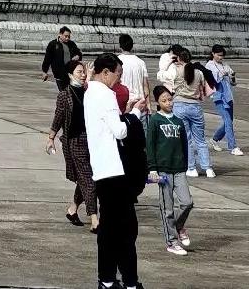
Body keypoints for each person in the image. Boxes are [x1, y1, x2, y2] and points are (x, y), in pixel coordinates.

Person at [86, 52, 138, 289]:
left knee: (108, 229)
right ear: (105, 72)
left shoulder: (90, 92)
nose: (119, 80)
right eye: (118, 74)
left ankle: (106, 279)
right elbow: (120, 131)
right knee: (126, 230)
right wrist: (134, 115)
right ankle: (129, 281)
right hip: (115, 170)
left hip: (101, 168)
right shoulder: (106, 94)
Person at [45, 55, 97, 231]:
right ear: (70, 74)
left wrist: (89, 79)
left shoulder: (89, 91)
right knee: (89, 180)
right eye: (79, 72)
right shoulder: (64, 96)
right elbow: (58, 118)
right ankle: (95, 218)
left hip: (92, 141)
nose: (83, 75)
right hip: (74, 141)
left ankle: (73, 209)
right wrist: (51, 138)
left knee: (84, 179)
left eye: (84, 72)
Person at [144, 83, 193, 255]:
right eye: (164, 100)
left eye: (170, 99)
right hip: (163, 170)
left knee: (187, 202)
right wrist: (152, 168)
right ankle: (171, 242)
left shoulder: (179, 122)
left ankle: (179, 226)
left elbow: (184, 145)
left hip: (179, 168)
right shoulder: (155, 121)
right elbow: (150, 145)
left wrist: (185, 165)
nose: (168, 103)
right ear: (157, 102)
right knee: (168, 208)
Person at [168, 50, 214, 177]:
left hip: (180, 105)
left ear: (179, 59)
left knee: (186, 139)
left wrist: (169, 63)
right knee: (200, 139)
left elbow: (162, 76)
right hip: (195, 106)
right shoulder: (199, 72)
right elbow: (203, 88)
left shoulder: (176, 70)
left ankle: (191, 168)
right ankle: (208, 168)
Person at [207, 45, 241, 155]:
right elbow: (212, 80)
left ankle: (214, 139)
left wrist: (232, 76)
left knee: (228, 121)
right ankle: (233, 147)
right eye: (219, 55)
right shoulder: (209, 65)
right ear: (213, 54)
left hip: (228, 95)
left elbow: (233, 82)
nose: (221, 57)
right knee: (228, 121)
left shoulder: (225, 65)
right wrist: (221, 74)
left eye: (222, 55)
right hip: (219, 96)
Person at [116, 34, 150, 116]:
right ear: (132, 46)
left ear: (120, 46)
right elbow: (146, 86)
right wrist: (148, 105)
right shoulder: (141, 62)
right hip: (139, 103)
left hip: (124, 104)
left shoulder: (117, 61)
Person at [41, 26, 81, 90]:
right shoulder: (53, 44)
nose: (67, 38)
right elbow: (47, 59)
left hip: (71, 73)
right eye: (66, 36)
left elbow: (78, 53)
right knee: (63, 91)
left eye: (69, 36)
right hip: (59, 73)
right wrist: (44, 71)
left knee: (72, 91)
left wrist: (78, 56)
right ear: (60, 34)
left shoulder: (71, 44)